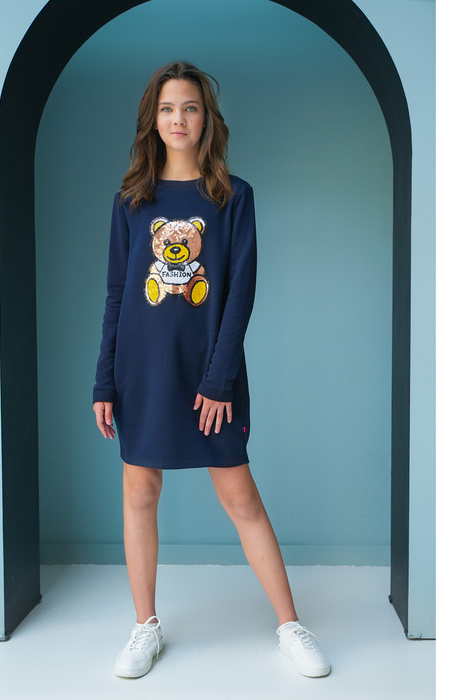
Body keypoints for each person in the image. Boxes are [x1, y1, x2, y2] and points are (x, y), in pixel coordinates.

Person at [93, 60, 331, 680]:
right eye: (168, 108)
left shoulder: (233, 197)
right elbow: (117, 294)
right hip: (141, 371)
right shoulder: (131, 201)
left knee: (240, 496)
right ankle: (145, 625)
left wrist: (219, 378)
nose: (179, 119)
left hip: (208, 373)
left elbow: (239, 293)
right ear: (153, 120)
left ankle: (290, 624)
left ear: (207, 119)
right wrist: (103, 379)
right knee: (140, 492)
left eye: (191, 108)